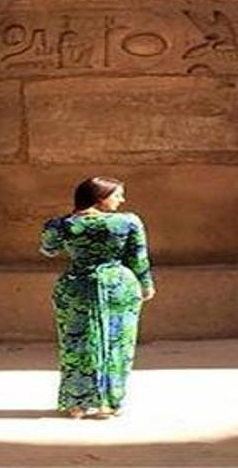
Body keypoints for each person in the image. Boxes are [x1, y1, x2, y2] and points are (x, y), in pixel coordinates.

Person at [40, 176, 155, 419]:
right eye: (117, 195)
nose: (121, 200)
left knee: (75, 343)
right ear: (100, 198)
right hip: (119, 285)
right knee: (117, 342)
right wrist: (146, 285)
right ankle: (109, 403)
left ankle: (77, 404)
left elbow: (48, 250)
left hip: (76, 286)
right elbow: (138, 258)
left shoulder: (59, 224)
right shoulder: (128, 222)